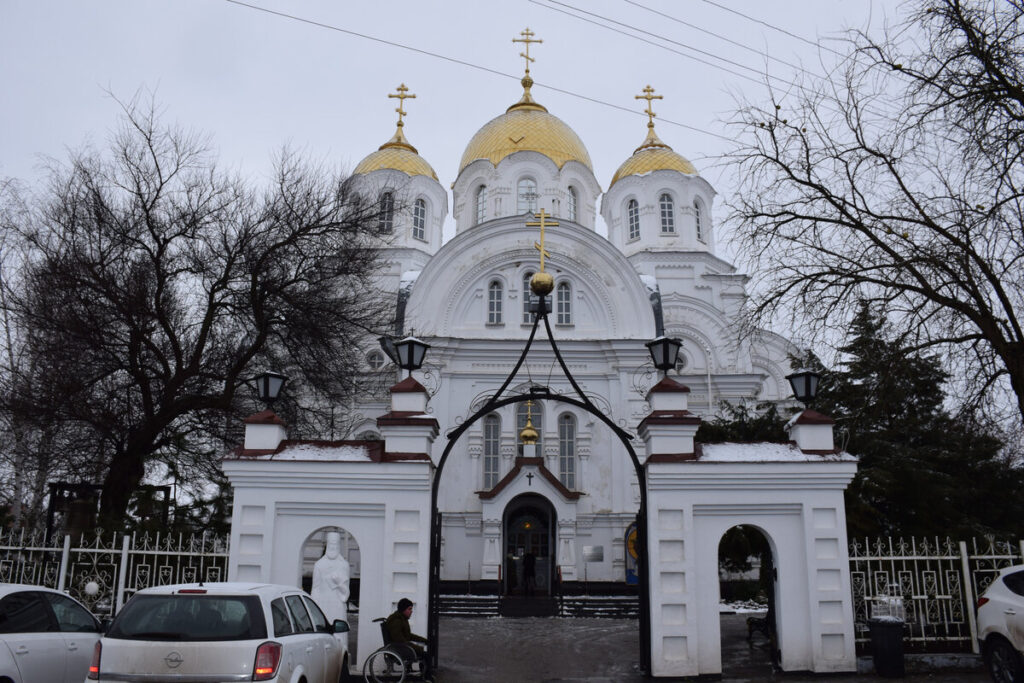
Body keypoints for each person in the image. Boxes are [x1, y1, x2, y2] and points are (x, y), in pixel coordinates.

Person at [311, 531, 350, 650]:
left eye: (335, 545)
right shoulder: (319, 565)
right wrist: (314, 604)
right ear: (327, 545)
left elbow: (346, 593)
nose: (333, 547)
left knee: (338, 633)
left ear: (339, 546)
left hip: (337, 604)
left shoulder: (344, 565)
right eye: (331, 545)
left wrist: (339, 582)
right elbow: (315, 587)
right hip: (322, 602)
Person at [385, 597, 431, 679]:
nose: (411, 611)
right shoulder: (396, 621)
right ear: (403, 609)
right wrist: (416, 647)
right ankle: (426, 677)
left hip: (401, 647)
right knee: (426, 655)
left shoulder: (402, 619)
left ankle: (422, 674)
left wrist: (424, 640)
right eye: (409, 609)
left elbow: (408, 635)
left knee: (422, 652)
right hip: (399, 649)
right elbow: (399, 640)